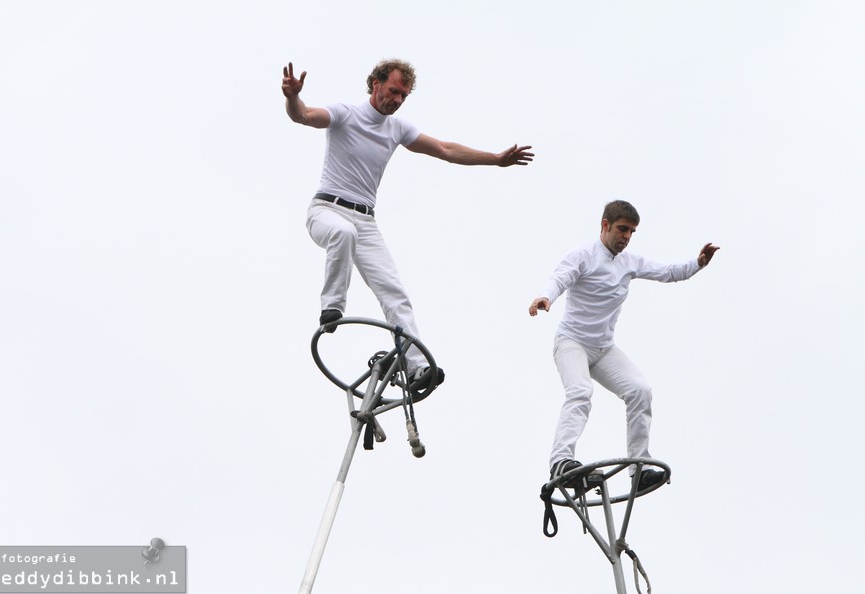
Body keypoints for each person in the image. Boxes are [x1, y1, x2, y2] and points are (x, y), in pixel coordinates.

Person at [283, 59, 533, 388]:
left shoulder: (397, 128)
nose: (397, 100)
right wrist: (292, 98)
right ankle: (332, 308)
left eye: (403, 95)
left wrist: (496, 160)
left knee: (395, 292)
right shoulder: (346, 114)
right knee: (342, 234)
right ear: (375, 84)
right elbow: (304, 115)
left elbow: (445, 149)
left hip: (366, 220)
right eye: (393, 91)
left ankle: (416, 367)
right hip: (327, 210)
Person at [529, 200, 719, 490]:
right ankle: (561, 461)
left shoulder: (630, 262)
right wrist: (545, 297)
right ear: (605, 225)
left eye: (631, 232)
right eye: (622, 229)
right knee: (580, 392)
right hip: (572, 343)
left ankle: (639, 470)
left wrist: (698, 264)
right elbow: (560, 278)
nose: (626, 237)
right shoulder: (583, 255)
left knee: (640, 391)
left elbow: (667, 272)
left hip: (603, 348)